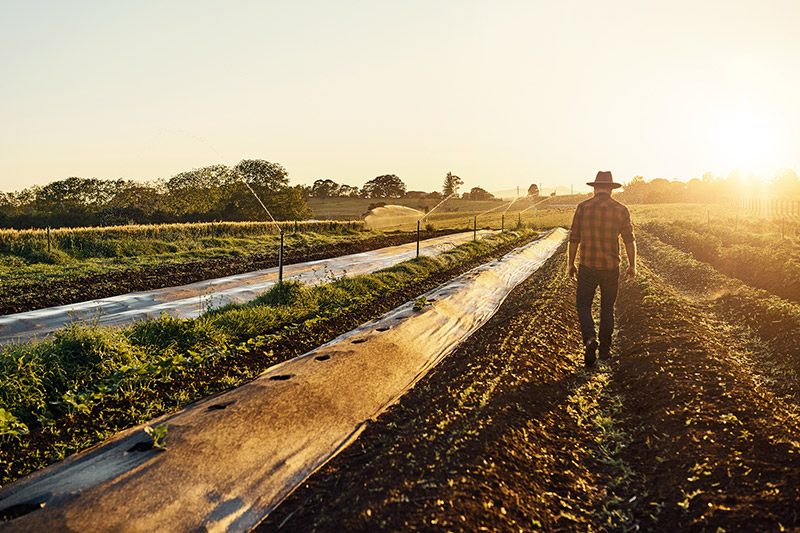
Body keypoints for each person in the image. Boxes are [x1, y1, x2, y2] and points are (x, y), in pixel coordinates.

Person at [567, 171, 636, 367]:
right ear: (611, 190)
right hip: (610, 267)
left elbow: (574, 239)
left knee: (583, 305)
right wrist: (632, 265)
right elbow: (629, 240)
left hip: (587, 265)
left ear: (595, 188)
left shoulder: (583, 208)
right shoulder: (621, 210)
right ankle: (605, 350)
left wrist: (570, 264)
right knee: (607, 308)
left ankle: (589, 338)